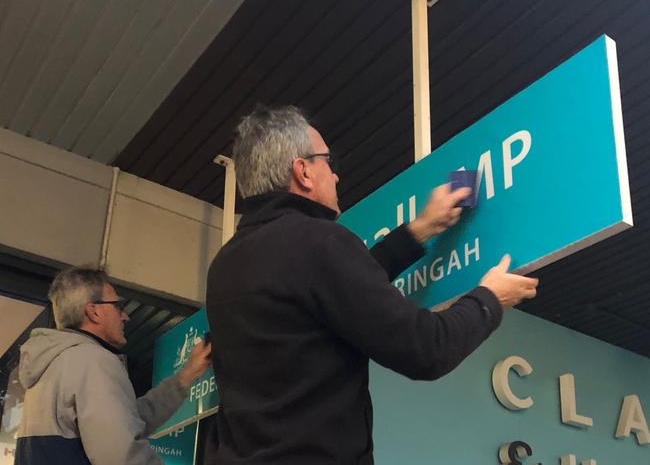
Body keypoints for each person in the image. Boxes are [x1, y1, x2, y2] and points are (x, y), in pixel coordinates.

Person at [205, 105, 538, 464]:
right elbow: (427, 349)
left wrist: (417, 231)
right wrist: (489, 299)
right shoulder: (319, 242)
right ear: (303, 171)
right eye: (328, 163)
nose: (336, 176)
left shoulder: (225, 266)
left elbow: (327, 294)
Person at [15, 267, 212, 465]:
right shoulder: (91, 360)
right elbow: (121, 456)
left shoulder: (53, 367)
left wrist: (186, 376)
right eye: (118, 306)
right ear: (94, 312)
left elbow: (128, 421)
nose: (125, 316)